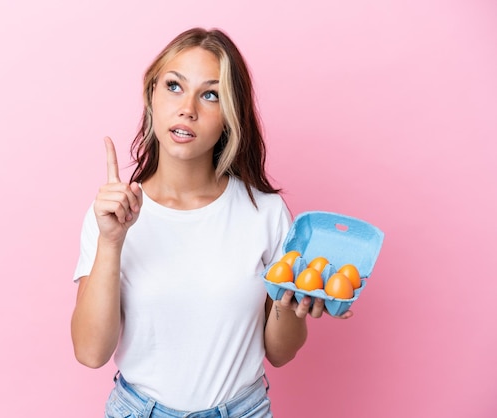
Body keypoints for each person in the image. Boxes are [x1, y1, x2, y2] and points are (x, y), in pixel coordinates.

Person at [71, 27, 352, 418]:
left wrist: (291, 301)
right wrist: (112, 241)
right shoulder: (111, 214)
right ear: (151, 94)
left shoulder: (266, 213)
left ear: (230, 115)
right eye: (173, 86)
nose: (187, 108)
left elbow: (281, 353)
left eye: (210, 94)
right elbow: (90, 352)